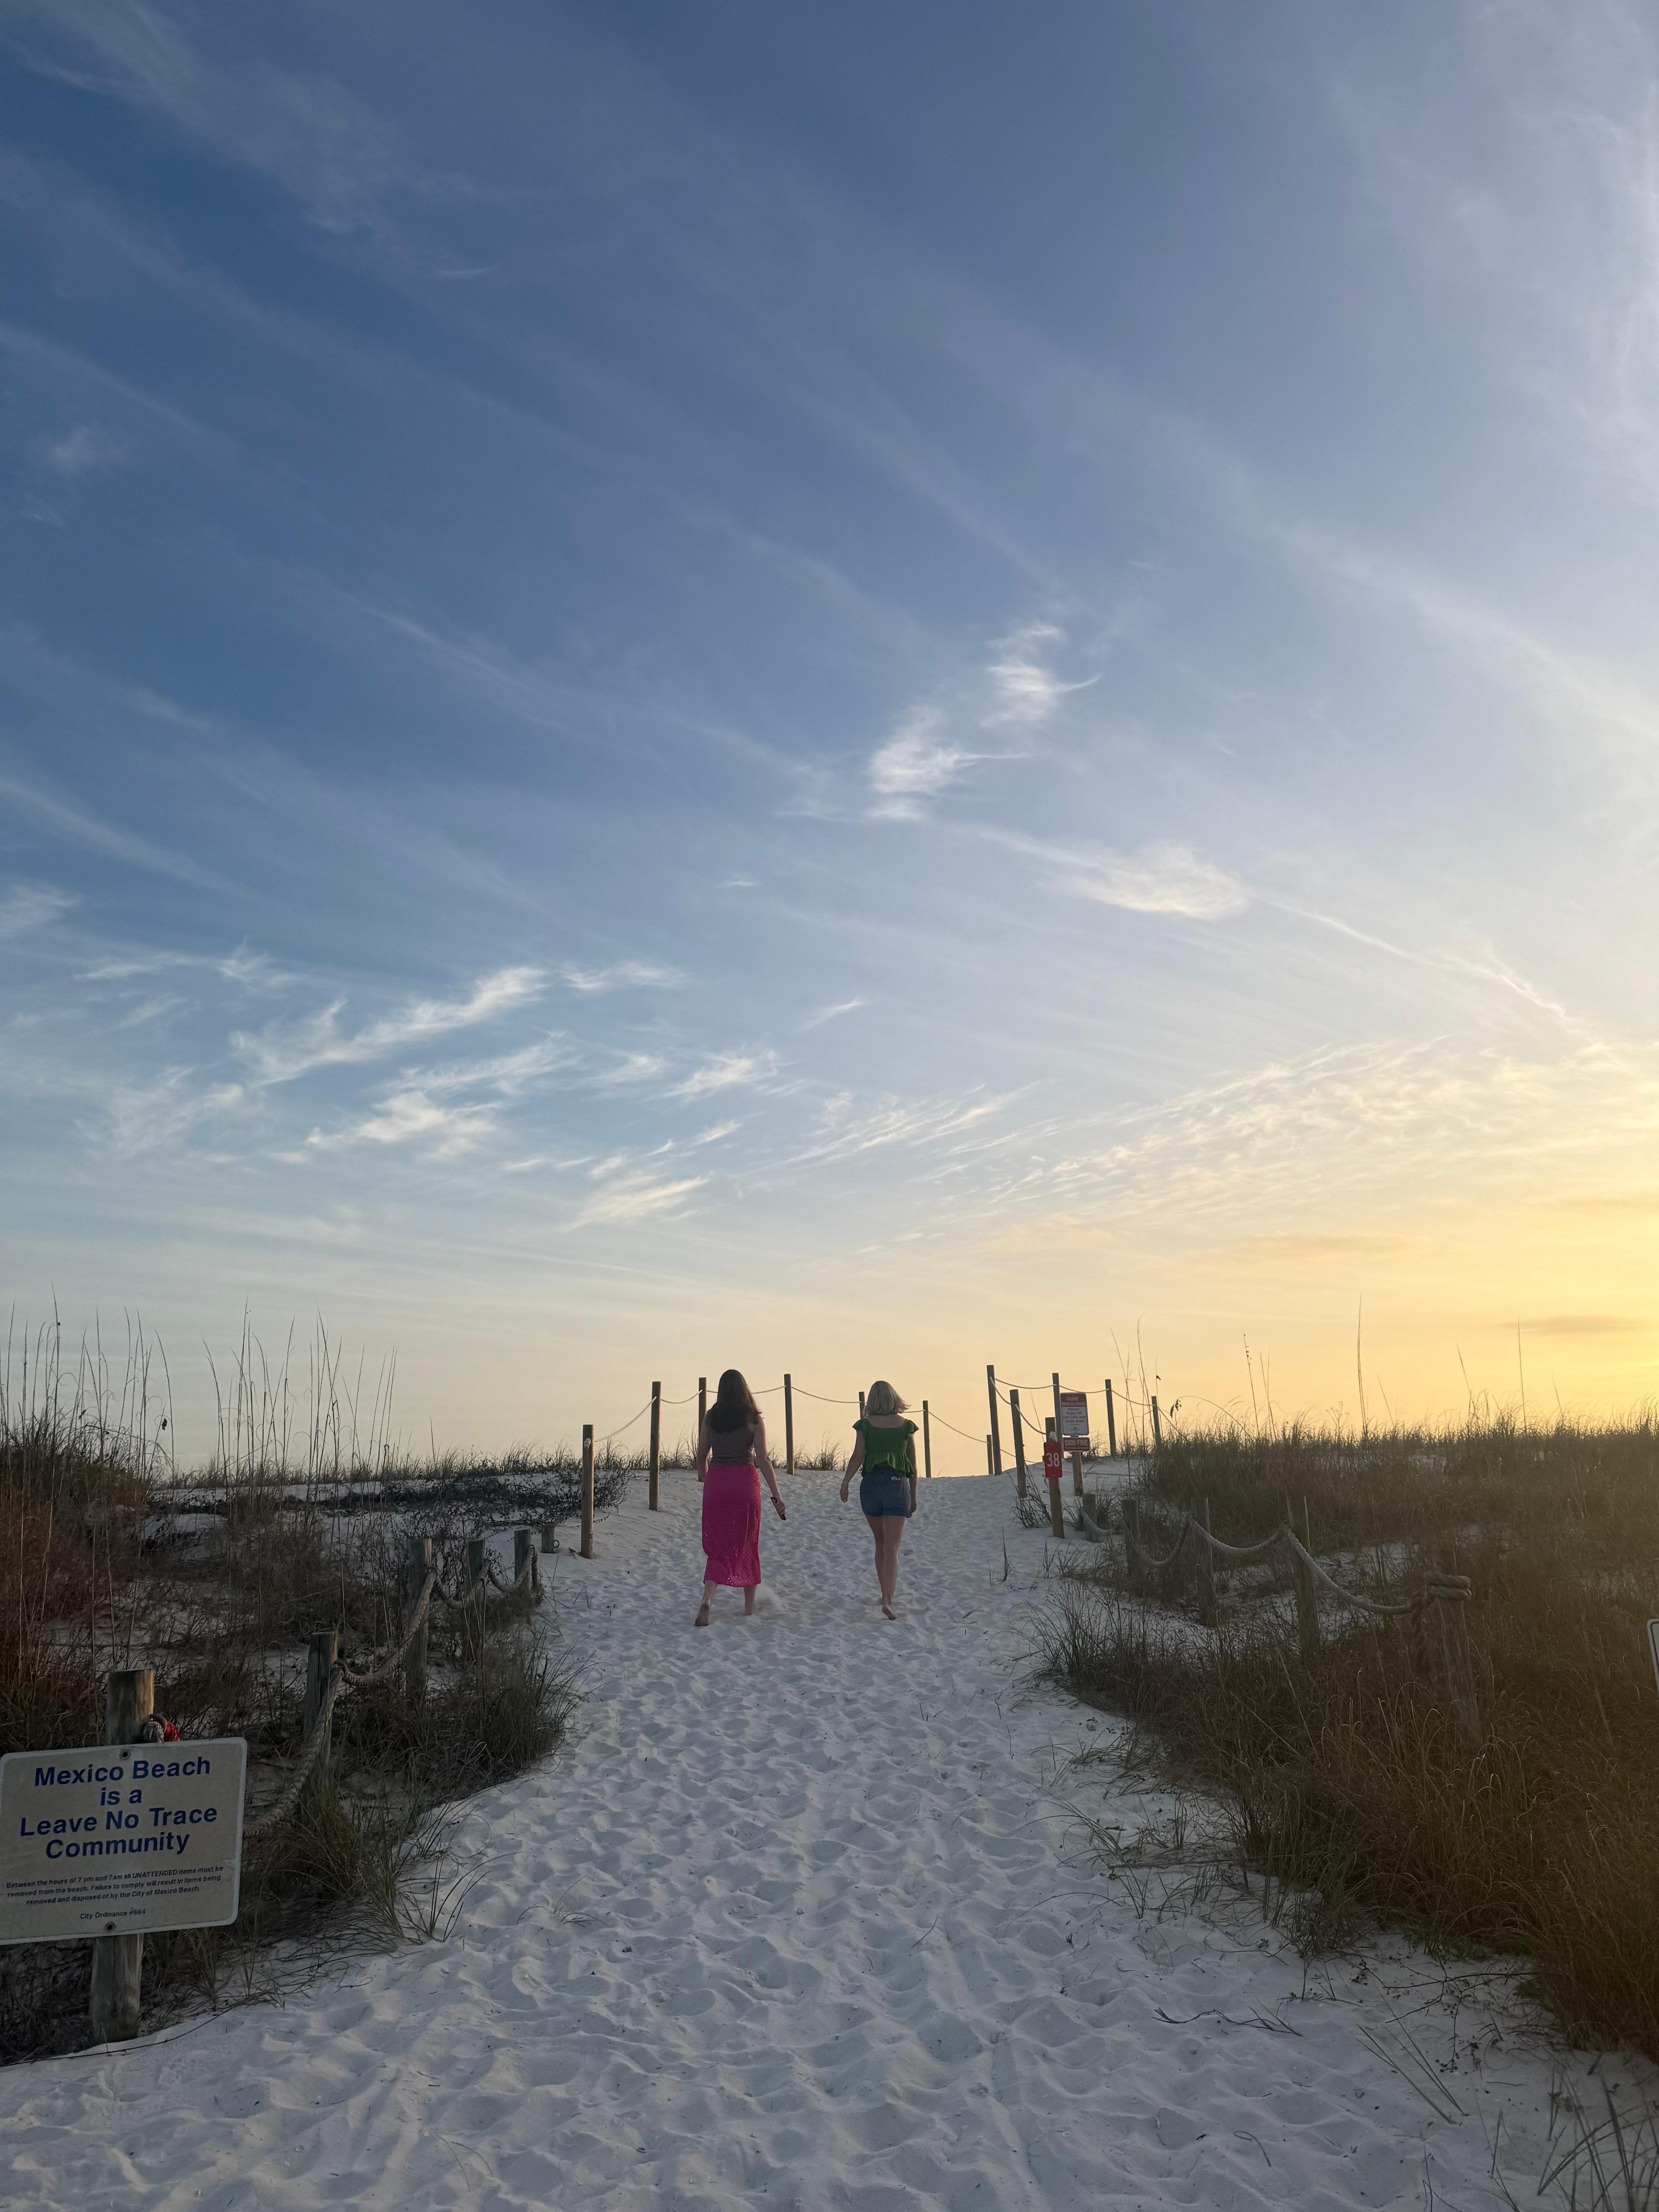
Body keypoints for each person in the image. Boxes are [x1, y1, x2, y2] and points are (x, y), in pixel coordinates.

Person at [695, 1368, 785, 1626]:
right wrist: (777, 1495)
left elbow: (702, 1455)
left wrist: (705, 1477)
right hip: (744, 1483)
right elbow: (764, 1460)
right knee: (747, 1542)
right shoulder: (754, 1419)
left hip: (717, 1483)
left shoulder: (711, 1417)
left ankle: (708, 1599)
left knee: (717, 1547)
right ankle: (749, 1608)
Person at [840, 1379, 917, 1620]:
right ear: (895, 1399)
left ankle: (884, 1594)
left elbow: (858, 1456)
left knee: (880, 1543)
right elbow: (912, 1465)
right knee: (893, 1548)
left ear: (871, 1400)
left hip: (871, 1485)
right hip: (896, 1486)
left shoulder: (865, 1426)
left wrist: (845, 1482)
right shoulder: (906, 1426)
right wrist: (913, 1496)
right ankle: (888, 1599)